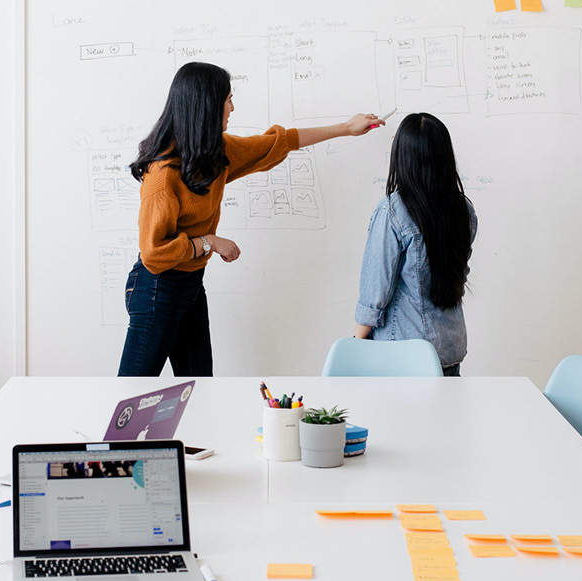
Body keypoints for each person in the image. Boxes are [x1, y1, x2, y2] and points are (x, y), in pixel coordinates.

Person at [118, 61, 383, 376]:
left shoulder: (214, 153)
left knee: (200, 388)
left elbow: (278, 142)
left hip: (189, 285)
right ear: (206, 106)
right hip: (155, 288)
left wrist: (345, 128)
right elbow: (153, 254)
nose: (232, 107)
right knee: (133, 393)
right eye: (227, 99)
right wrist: (208, 242)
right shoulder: (162, 177)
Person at [354, 112, 477, 376]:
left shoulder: (393, 211)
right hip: (449, 349)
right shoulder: (462, 209)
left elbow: (375, 292)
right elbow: (458, 276)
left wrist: (355, 343)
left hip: (403, 353)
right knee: (444, 418)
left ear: (402, 156)